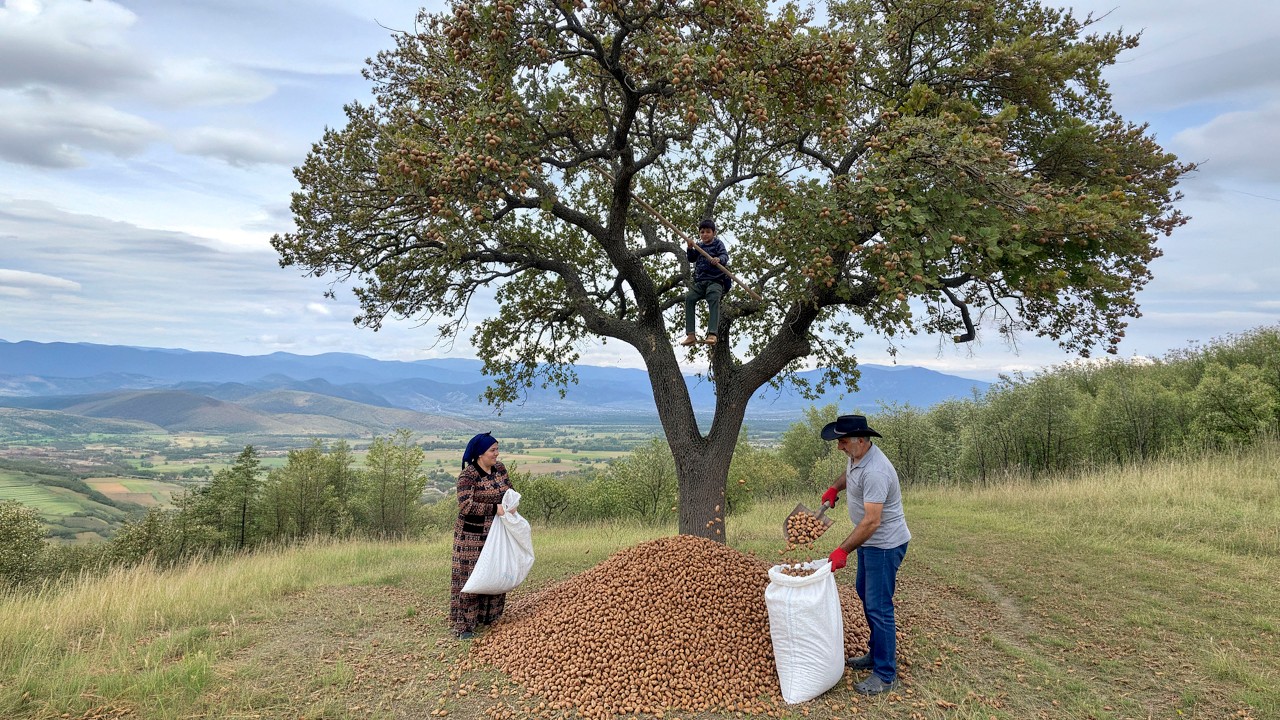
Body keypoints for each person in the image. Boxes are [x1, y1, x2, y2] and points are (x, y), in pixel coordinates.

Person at [819, 414, 911, 696]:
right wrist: (835, 487)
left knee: (878, 606)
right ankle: (875, 653)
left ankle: (886, 674)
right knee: (864, 594)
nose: (839, 447)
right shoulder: (858, 456)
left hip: (883, 545)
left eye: (843, 441)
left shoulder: (877, 472)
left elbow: (872, 522)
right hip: (871, 545)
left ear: (860, 440)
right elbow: (849, 474)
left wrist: (842, 550)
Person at [449, 431, 513, 640]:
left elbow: (509, 491)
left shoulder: (500, 470)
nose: (497, 453)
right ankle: (465, 626)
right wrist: (495, 508)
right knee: (472, 578)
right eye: (492, 450)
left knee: (495, 572)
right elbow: (465, 505)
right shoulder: (468, 476)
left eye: (497, 449)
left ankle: (490, 617)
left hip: (497, 532)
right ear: (479, 454)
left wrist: (511, 504)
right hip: (472, 537)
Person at [680, 219, 730, 347]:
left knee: (713, 297)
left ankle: (712, 334)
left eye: (708, 232)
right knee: (689, 298)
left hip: (716, 281)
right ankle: (690, 335)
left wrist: (719, 259)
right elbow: (691, 259)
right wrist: (690, 248)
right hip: (700, 282)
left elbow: (725, 256)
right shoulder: (699, 246)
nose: (705, 234)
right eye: (702, 232)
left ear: (713, 233)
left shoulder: (718, 244)